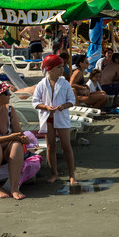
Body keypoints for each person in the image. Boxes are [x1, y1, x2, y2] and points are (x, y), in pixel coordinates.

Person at [32, 54, 77, 185]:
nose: (62, 69)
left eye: (62, 66)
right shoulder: (41, 84)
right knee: (50, 146)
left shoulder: (65, 83)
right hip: (48, 119)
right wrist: (46, 107)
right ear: (50, 69)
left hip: (61, 117)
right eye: (59, 67)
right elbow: (35, 102)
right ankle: (54, 174)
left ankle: (72, 174)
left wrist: (63, 106)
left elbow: (71, 100)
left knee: (66, 146)